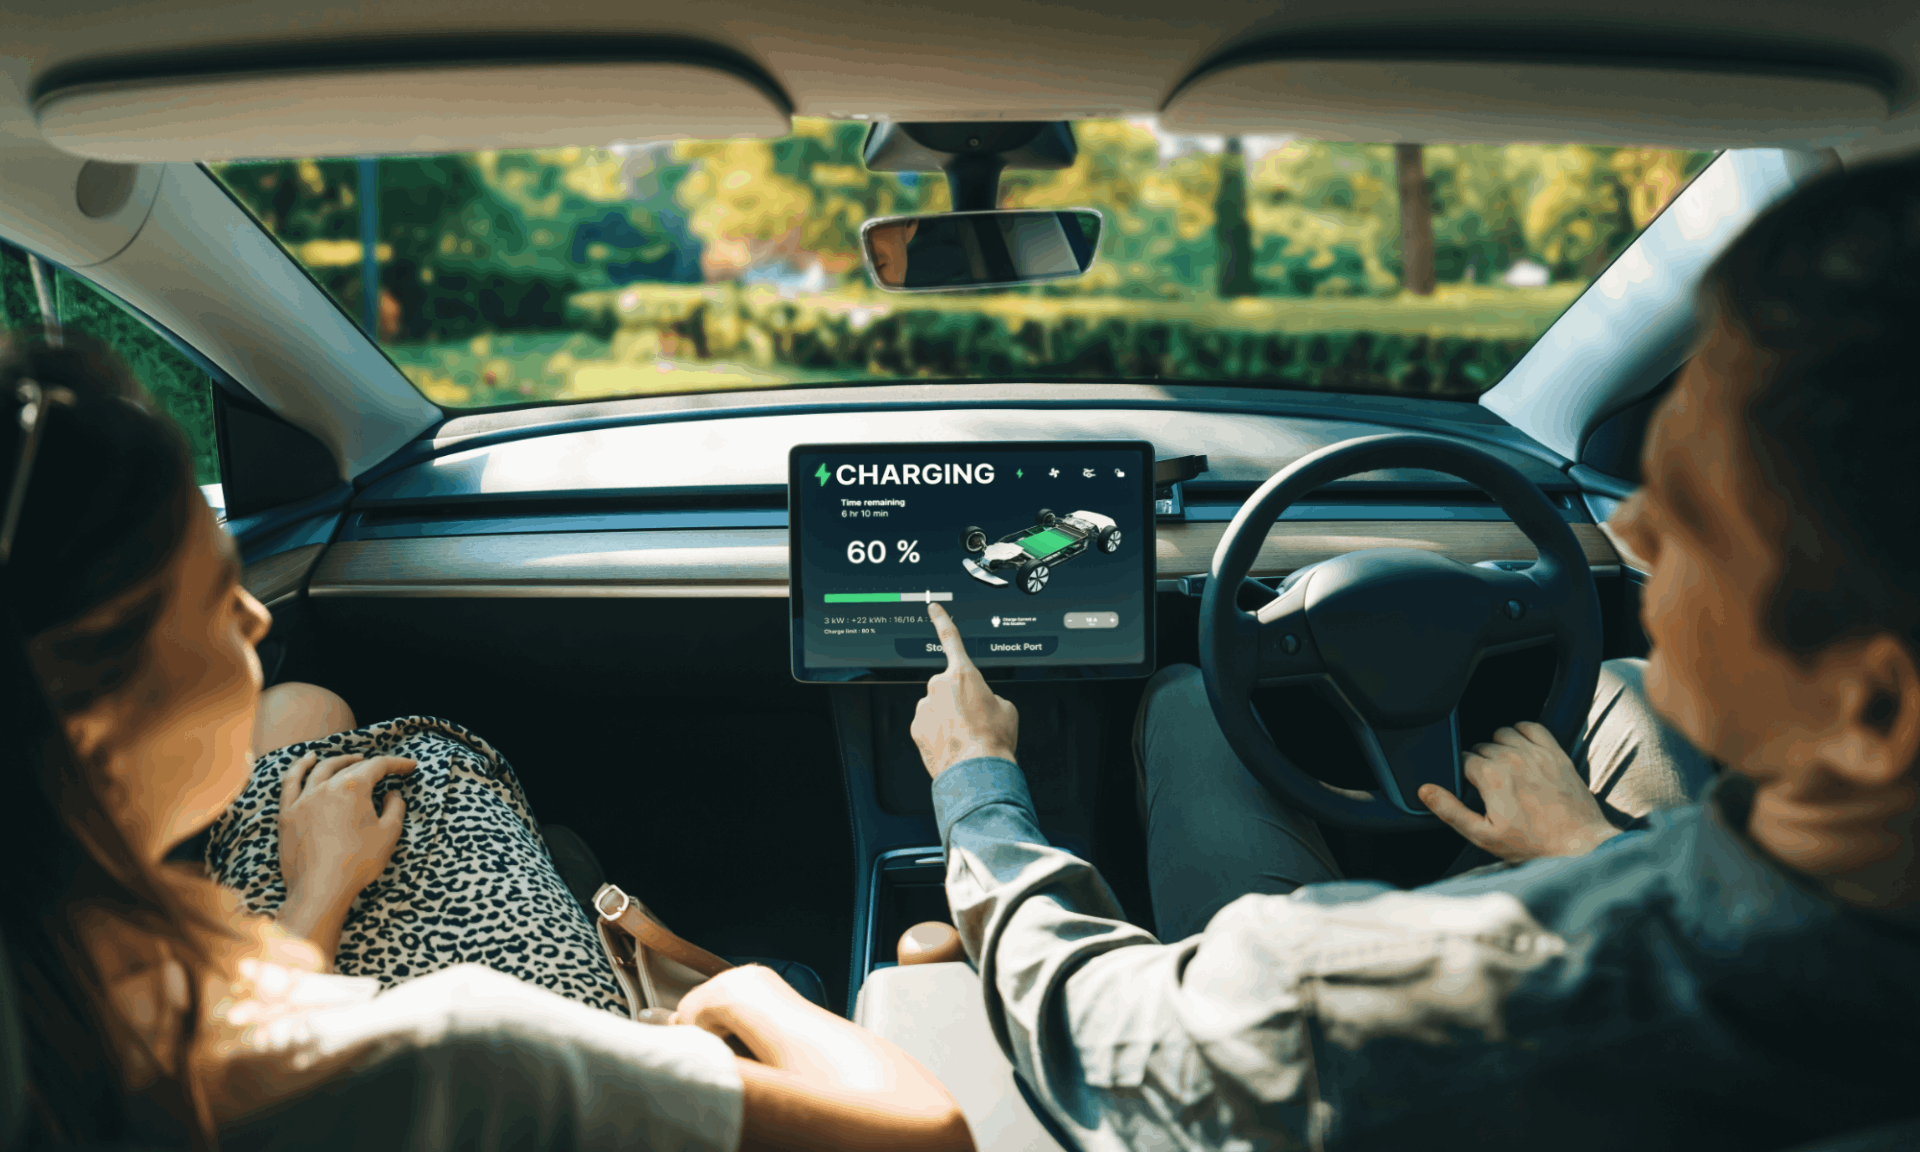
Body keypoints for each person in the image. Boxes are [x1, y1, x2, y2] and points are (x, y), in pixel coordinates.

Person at [910, 153, 1920, 1150]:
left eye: (1694, 512)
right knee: (1613, 691)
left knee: (1191, 706)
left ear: (1874, 709)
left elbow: (1096, 1032)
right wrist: (1595, 845)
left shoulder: (1363, 1003)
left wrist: (976, 783)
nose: (1637, 535)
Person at [0, 336, 971, 1151]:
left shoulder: (62, 1024)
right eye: (217, 600)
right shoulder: (454, 1054)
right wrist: (759, 995)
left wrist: (316, 898)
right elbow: (922, 1132)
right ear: (87, 716)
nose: (256, 618)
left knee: (301, 705)